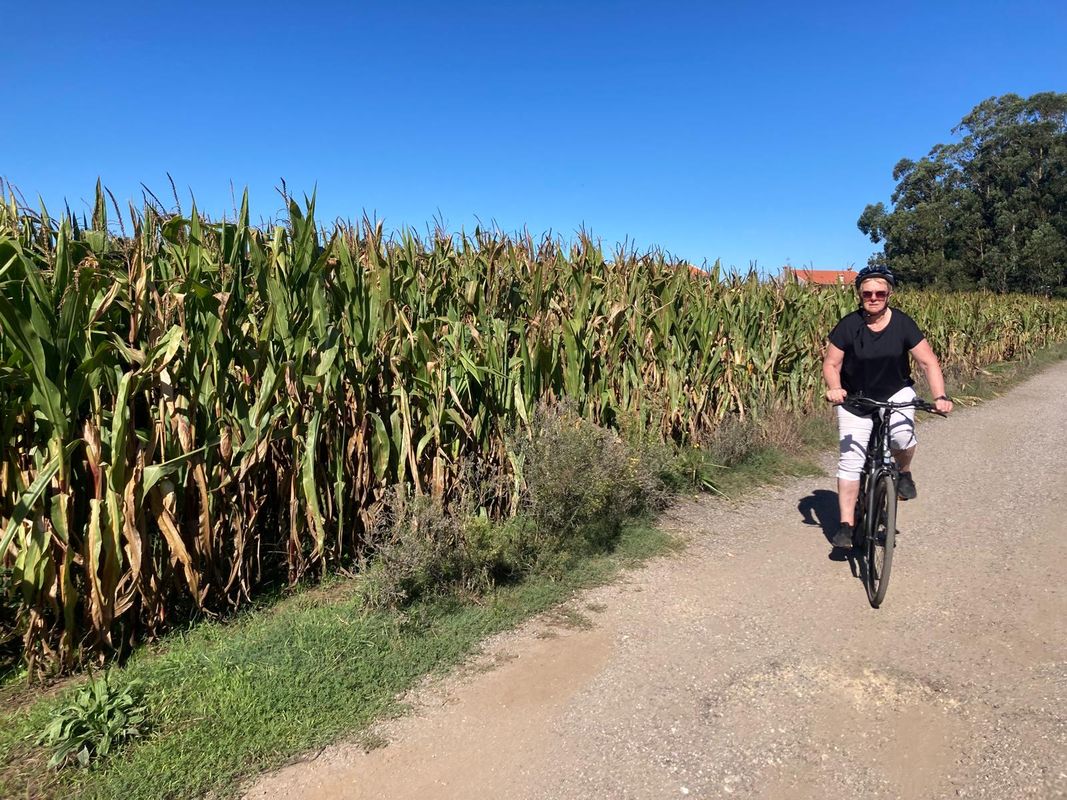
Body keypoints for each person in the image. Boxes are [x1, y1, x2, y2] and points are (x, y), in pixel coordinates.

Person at [821, 264, 954, 548]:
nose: (873, 297)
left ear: (889, 293)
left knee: (901, 436)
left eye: (880, 292)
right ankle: (846, 525)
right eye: (867, 292)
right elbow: (831, 363)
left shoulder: (903, 324)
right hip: (855, 398)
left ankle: (903, 472)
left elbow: (928, 362)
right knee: (851, 461)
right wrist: (835, 388)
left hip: (895, 392)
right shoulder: (849, 325)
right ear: (859, 294)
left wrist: (940, 396)